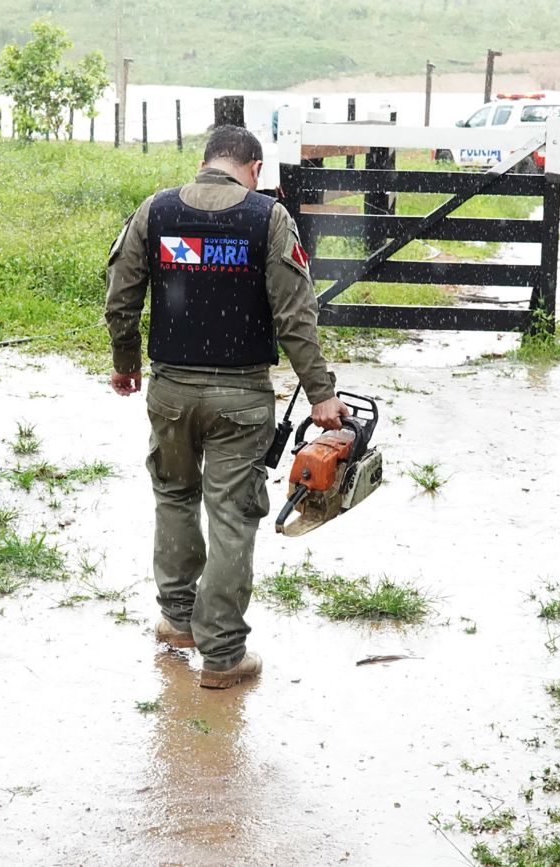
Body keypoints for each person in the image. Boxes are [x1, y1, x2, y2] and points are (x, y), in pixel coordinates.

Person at [105, 125, 349, 689]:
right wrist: (320, 394)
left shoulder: (155, 211)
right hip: (240, 397)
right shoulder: (267, 218)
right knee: (233, 517)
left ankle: (177, 620)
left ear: (206, 160)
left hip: (170, 392)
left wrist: (125, 363)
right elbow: (295, 316)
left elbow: (122, 295)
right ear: (255, 169)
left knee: (172, 496)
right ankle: (222, 656)